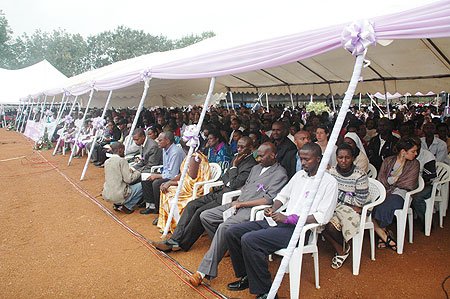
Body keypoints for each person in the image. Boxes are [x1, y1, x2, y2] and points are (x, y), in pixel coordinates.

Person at [224, 142, 338, 299]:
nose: (303, 163)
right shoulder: (299, 176)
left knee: (250, 240)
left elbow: (323, 217)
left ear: (319, 159)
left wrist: (289, 218)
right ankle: (247, 277)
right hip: (279, 222)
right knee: (232, 232)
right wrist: (274, 208)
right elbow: (282, 196)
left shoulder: (329, 183)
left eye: (307, 159)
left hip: (300, 230)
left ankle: (266, 292)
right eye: (301, 159)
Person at [187, 142, 288, 287]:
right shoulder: (255, 168)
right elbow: (245, 189)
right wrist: (237, 203)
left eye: (261, 156)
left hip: (252, 209)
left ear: (272, 155)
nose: (258, 159)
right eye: (257, 156)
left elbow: (268, 199)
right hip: (238, 204)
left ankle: (202, 272)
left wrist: (241, 204)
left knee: (223, 227)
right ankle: (227, 245)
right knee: (205, 216)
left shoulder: (280, 173)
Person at [151, 137, 257, 252]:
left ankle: (180, 243)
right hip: (221, 191)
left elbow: (234, 183)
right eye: (238, 147)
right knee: (192, 205)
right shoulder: (237, 158)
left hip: (232, 196)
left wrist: (234, 168)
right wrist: (231, 176)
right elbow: (225, 177)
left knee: (200, 212)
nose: (239, 149)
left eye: (243, 147)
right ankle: (174, 239)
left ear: (251, 148)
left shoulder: (251, 164)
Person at [322, 144, 369, 269]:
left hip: (348, 209)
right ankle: (342, 250)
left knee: (330, 226)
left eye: (347, 158)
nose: (343, 161)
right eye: (340, 157)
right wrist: (346, 200)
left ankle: (341, 250)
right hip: (335, 206)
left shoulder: (360, 175)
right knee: (320, 221)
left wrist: (337, 194)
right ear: (336, 158)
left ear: (353, 158)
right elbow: (326, 193)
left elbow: (359, 202)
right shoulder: (331, 172)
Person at [372, 137, 420, 251]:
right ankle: (384, 234)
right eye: (413, 151)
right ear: (403, 152)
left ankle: (382, 234)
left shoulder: (415, 164)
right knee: (369, 207)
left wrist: (391, 180)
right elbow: (381, 179)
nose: (416, 154)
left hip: (401, 194)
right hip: (385, 192)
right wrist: (394, 180)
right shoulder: (388, 161)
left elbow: (410, 182)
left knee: (384, 206)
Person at [157, 141, 211, 232]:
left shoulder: (194, 158)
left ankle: (178, 227)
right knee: (165, 190)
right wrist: (169, 182)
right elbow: (182, 175)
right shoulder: (190, 156)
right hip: (187, 186)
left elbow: (190, 180)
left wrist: (170, 183)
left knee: (172, 197)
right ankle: (168, 222)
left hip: (195, 189)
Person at [140, 131, 186, 215]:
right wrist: (156, 174)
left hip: (177, 177)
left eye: (160, 140)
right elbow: (165, 168)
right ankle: (151, 205)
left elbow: (172, 174)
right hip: (167, 173)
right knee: (145, 177)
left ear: (167, 141)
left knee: (156, 183)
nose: (157, 141)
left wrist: (157, 176)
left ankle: (159, 211)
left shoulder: (175, 152)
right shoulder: (164, 149)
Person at [101, 142, 143, 214]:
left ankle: (116, 204)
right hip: (120, 195)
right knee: (142, 186)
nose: (124, 152)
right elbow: (128, 179)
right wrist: (138, 172)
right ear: (120, 150)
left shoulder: (107, 162)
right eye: (123, 150)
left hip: (107, 194)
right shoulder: (122, 161)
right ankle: (128, 206)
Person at [411, 136, 437, 230]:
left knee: (417, 197)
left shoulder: (428, 156)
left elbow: (429, 179)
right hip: (410, 184)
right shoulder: (406, 154)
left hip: (428, 185)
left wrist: (416, 187)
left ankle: (426, 222)